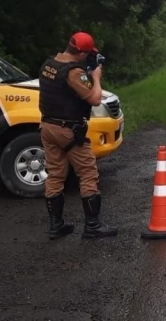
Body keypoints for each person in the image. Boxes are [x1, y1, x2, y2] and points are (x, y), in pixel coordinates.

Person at [38, 32, 117, 240]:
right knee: (88, 173)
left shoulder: (49, 64)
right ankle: (92, 225)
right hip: (69, 130)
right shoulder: (73, 72)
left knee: (55, 175)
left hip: (48, 126)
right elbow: (94, 99)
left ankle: (56, 225)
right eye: (87, 54)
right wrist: (96, 78)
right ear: (81, 52)